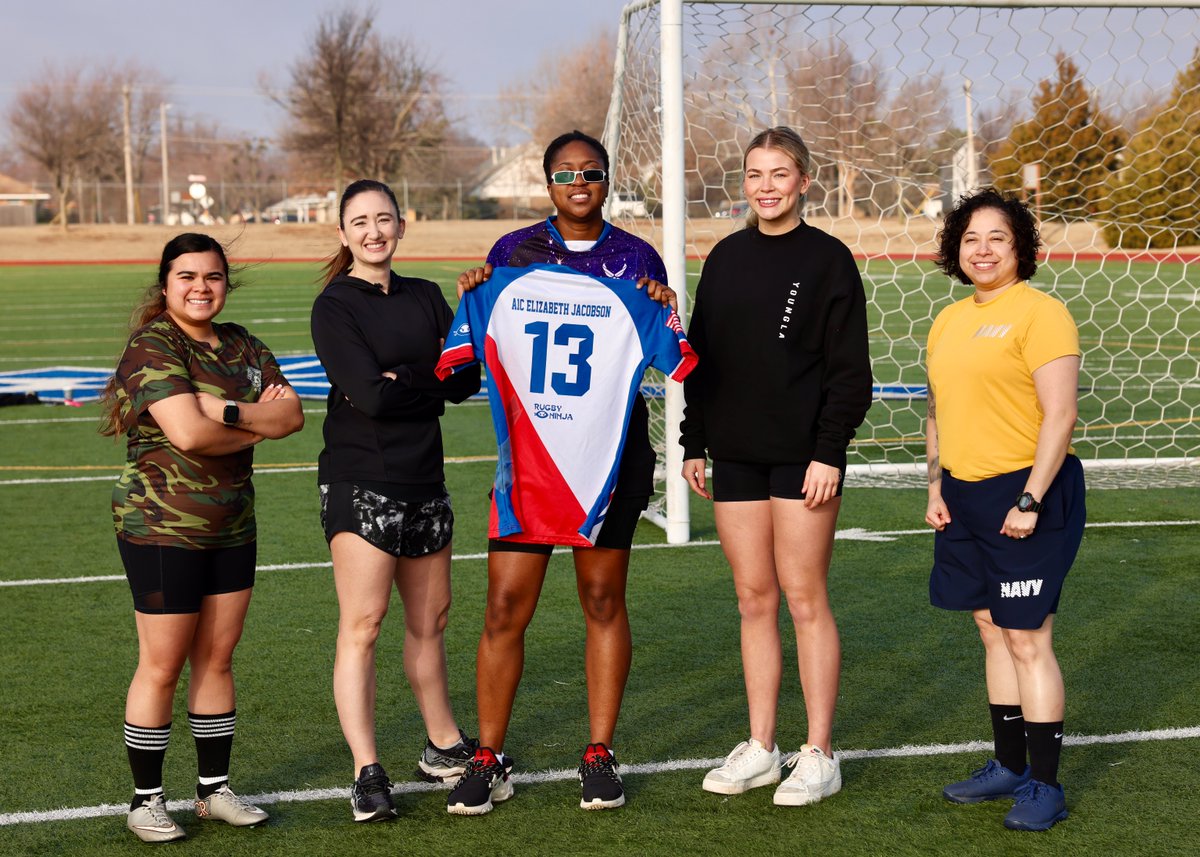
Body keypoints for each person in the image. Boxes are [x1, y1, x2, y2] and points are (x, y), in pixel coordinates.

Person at [446, 130, 678, 815]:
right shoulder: (510, 253)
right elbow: (466, 367)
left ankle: (599, 751)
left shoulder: (637, 258)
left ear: (608, 179)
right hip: (529, 459)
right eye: (565, 173)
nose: (579, 182)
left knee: (604, 599)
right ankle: (488, 755)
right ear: (546, 184)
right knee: (503, 606)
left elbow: (666, 347)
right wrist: (473, 296)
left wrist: (662, 304)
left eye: (592, 171)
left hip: (609, 457)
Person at [679, 127, 872, 807]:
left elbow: (851, 374)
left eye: (780, 173)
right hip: (733, 456)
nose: (767, 186)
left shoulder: (829, 262)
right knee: (753, 599)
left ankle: (818, 752)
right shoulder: (725, 259)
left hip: (801, 459)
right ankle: (762, 746)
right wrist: (692, 443)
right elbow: (699, 362)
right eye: (756, 173)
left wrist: (829, 450)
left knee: (803, 597)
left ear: (804, 181)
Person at [101, 233, 305, 843]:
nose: (200, 287)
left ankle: (213, 792)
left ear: (225, 283)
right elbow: (187, 436)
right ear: (165, 284)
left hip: (233, 523)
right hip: (161, 525)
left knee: (217, 658)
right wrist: (251, 424)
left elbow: (291, 416)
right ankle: (145, 801)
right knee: (162, 665)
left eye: (212, 277)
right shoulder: (152, 344)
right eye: (187, 276)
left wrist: (225, 410)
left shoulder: (242, 343)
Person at [310, 179, 482, 823]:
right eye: (360, 221)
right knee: (363, 625)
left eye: (384, 219)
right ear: (343, 232)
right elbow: (369, 397)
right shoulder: (335, 306)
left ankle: (442, 746)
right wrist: (424, 379)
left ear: (402, 227)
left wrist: (407, 379)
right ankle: (366, 769)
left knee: (431, 621)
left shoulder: (427, 295)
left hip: (423, 478)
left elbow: (464, 378)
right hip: (362, 479)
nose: (373, 231)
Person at [924, 187, 1084, 832]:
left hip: (1026, 490)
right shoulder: (947, 320)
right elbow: (938, 411)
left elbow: (1061, 414)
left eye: (997, 238)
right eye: (970, 238)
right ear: (954, 250)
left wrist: (1030, 499)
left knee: (1028, 635)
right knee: (990, 625)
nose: (983, 250)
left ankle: (1045, 784)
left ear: (1022, 248)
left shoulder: (1041, 314)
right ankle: (1009, 765)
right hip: (962, 492)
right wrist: (936, 487)